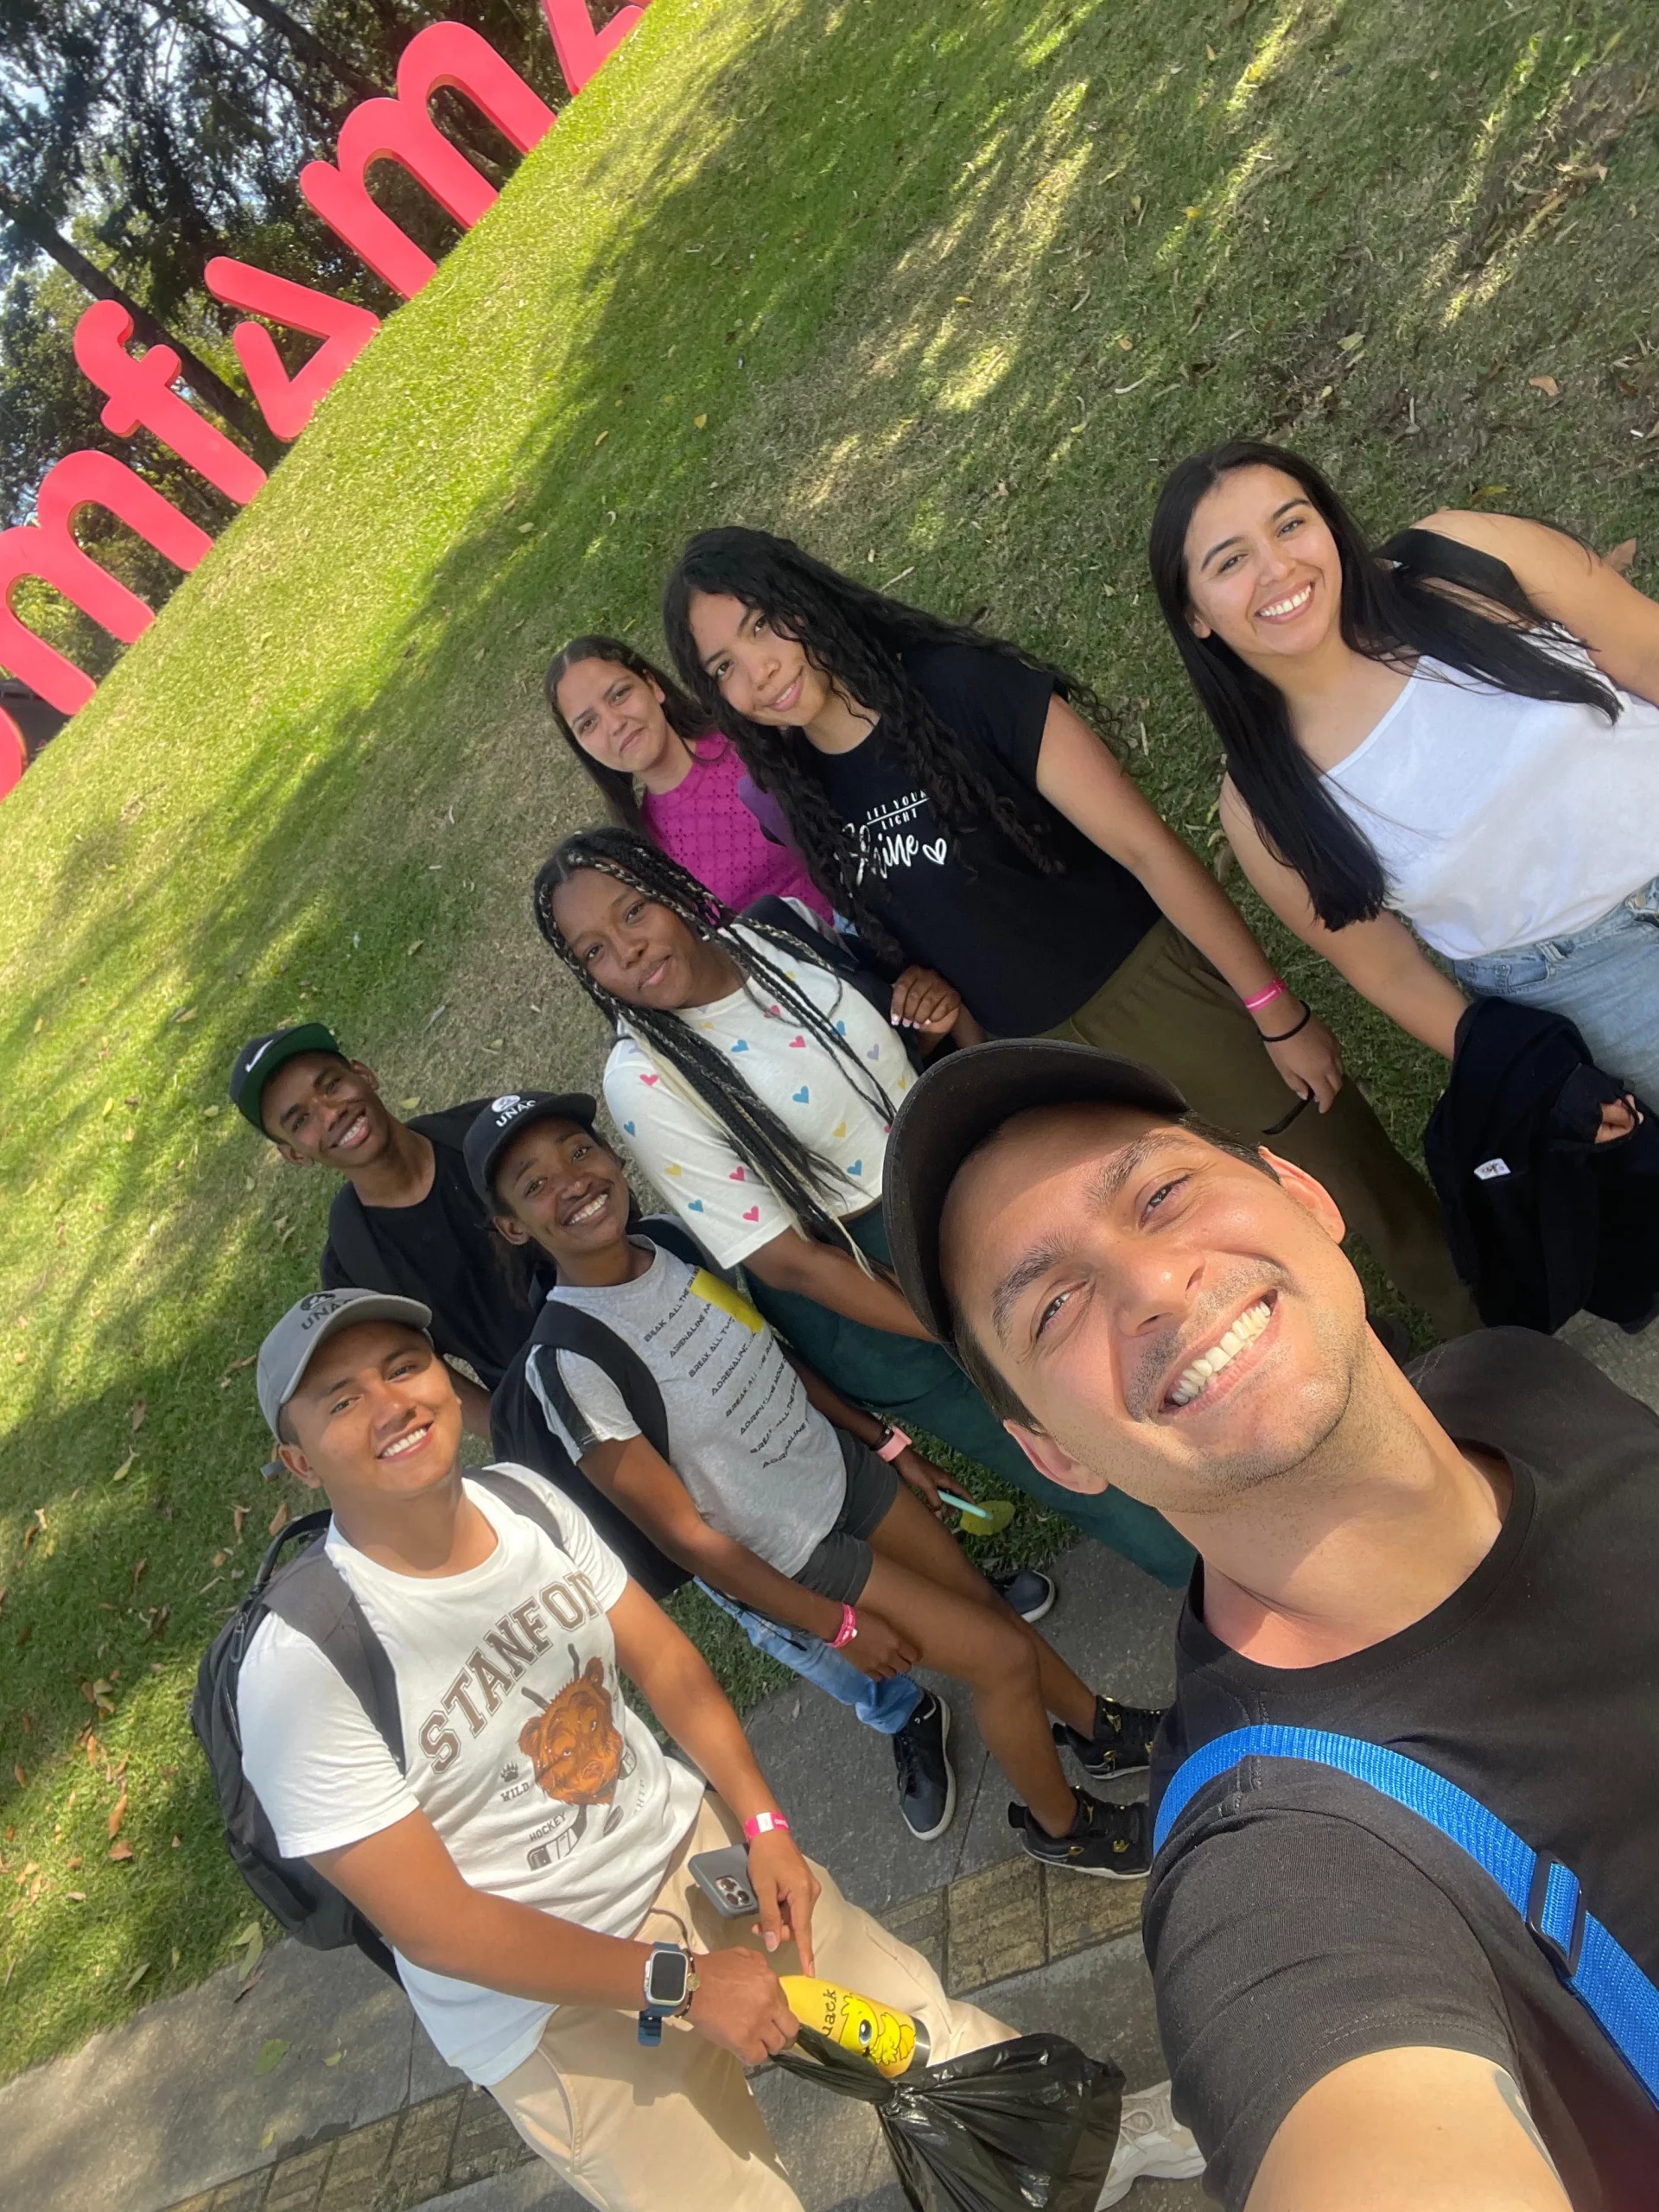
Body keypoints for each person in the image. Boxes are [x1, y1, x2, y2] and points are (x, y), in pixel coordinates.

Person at [880, 1035, 1659, 2209]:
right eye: (1052, 1309)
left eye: (1162, 1194)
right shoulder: (1283, 1873)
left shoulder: (1513, 1384)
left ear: (1305, 1195)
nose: (1151, 1289)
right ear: (1051, 1452)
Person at [238, 1285, 1201, 2209]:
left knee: (918, 2028)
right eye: (341, 1400)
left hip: (686, 1854)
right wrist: (683, 1983)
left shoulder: (521, 1501)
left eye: (404, 1366)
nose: (390, 1403)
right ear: (299, 1462)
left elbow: (667, 1663)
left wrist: (765, 1822)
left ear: (446, 1382)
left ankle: (1092, 2155)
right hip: (548, 2000)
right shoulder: (306, 1662)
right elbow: (439, 1926)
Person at [660, 526, 1477, 1341]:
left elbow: (1147, 850)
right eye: (724, 667)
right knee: (1200, 1256)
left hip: (1156, 994)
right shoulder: (803, 799)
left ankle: (1507, 1352)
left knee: (1358, 1188)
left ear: (807, 598)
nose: (757, 670)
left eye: (763, 625)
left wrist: (1274, 1010)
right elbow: (931, 946)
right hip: (1053, 1067)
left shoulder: (965, 689)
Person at [467, 1088, 1166, 1870]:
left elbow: (770, 1354)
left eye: (577, 1151)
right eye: (533, 1185)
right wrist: (835, 1627)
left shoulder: (668, 1242)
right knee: (998, 1658)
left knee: (986, 1613)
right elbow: (691, 1540)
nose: (570, 1181)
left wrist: (884, 1445)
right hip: (800, 1553)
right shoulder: (569, 1360)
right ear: (512, 1226)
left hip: (845, 1473)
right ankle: (1062, 1827)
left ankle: (1096, 1732)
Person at [531, 821, 1192, 1585]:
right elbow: (790, 1265)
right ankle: (1243, 1609)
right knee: (1069, 1455)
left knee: (1119, 1377)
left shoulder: (782, 932)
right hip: (871, 1283)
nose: (627, 950)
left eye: (632, 912)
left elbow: (890, 1054)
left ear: (672, 889)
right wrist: (950, 1324)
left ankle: (1264, 1520)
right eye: (593, 952)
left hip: (960, 1201)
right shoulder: (643, 1079)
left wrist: (929, 1008)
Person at [1148, 439, 1659, 1105]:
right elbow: (1388, 971)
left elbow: (1648, 654)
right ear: (1195, 615)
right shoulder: (1264, 805)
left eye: (1291, 524)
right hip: (1585, 984)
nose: (1278, 567)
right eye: (1232, 561)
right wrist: (1537, 1076)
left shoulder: (1465, 560)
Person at [229, 1024, 548, 1435]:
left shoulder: (487, 1135)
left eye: (331, 1085)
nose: (330, 1113)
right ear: (294, 1154)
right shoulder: (353, 1266)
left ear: (363, 1074)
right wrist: (519, 1437)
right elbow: (420, 1369)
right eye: (301, 1119)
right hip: (542, 1403)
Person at [547, 634, 833, 920]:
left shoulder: (749, 735)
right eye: (588, 724)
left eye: (619, 694)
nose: (614, 724)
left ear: (652, 686)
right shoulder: (642, 853)